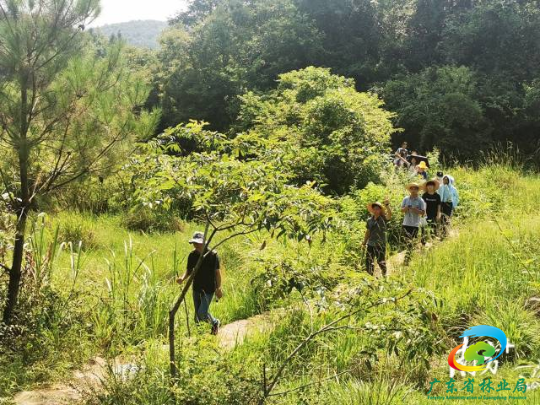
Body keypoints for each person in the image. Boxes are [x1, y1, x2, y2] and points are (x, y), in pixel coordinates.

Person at [177, 231, 223, 335]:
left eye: (198, 243)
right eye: (194, 243)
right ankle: (201, 337)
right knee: (197, 317)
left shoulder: (212, 255)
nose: (195, 245)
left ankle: (215, 322)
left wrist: (219, 288)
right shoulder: (192, 255)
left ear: (204, 243)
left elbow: (217, 273)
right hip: (196, 287)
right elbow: (188, 270)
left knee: (202, 313)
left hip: (209, 288)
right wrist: (182, 278)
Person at [362, 199, 392, 277]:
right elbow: (368, 232)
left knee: (380, 261)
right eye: (374, 209)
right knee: (368, 261)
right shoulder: (369, 220)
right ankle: (369, 277)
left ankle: (384, 274)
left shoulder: (383, 219)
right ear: (372, 210)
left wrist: (387, 206)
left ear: (380, 210)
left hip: (380, 244)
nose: (376, 211)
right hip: (370, 243)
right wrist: (364, 242)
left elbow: (389, 215)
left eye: (377, 209)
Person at [401, 182, 427, 265]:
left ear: (417, 190)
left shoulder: (420, 200)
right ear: (410, 189)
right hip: (406, 223)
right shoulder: (405, 199)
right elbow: (401, 210)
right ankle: (408, 256)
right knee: (406, 241)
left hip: (415, 224)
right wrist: (406, 208)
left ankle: (407, 259)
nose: (413, 190)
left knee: (411, 242)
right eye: (412, 188)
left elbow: (423, 213)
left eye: (415, 188)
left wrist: (416, 210)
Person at [421, 179, 442, 245]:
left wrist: (438, 214)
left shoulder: (437, 196)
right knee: (424, 228)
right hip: (425, 214)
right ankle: (423, 242)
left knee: (434, 228)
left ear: (434, 187)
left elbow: (439, 205)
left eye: (431, 185)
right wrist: (424, 212)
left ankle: (434, 241)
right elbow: (423, 204)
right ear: (426, 187)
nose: (430, 187)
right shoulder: (425, 195)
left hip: (434, 214)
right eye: (428, 185)